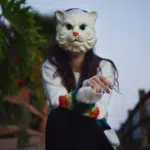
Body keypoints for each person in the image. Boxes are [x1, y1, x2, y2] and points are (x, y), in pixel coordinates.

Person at [42, 8, 120, 150]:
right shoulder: (50, 66)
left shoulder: (104, 67)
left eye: (82, 27)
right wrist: (85, 92)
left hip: (95, 136)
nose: (76, 33)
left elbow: (98, 112)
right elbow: (56, 102)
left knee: (85, 121)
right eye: (69, 27)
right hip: (64, 136)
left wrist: (79, 96)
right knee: (57, 116)